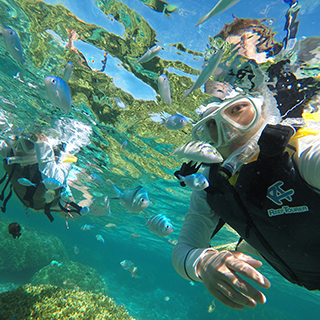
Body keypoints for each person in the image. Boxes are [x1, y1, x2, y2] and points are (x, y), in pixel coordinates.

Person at [172, 59, 320, 310]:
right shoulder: (210, 184)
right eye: (211, 128)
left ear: (263, 109)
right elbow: (183, 250)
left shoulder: (301, 153)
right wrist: (204, 262)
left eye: (238, 111)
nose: (229, 133)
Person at [0, 115, 91, 227]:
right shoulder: (11, 152)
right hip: (29, 189)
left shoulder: (57, 167)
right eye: (17, 141)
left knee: (76, 214)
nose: (18, 149)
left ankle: (88, 195)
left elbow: (51, 176)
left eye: (29, 144)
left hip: (49, 201)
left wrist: (42, 144)